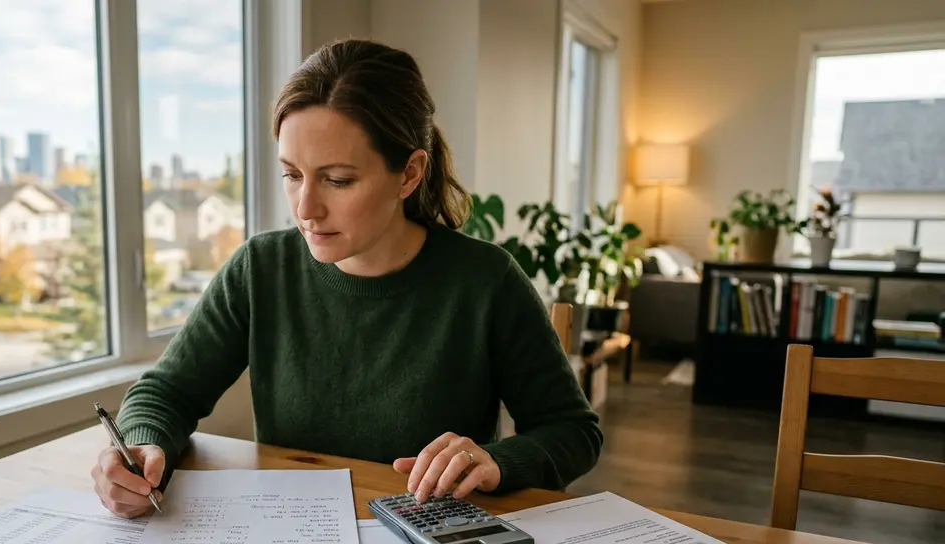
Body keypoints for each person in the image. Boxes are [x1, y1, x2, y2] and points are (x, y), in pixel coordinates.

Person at [92, 38, 602, 518]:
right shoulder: (261, 268)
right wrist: (144, 445)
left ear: (409, 173)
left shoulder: (485, 280)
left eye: (337, 180)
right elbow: (166, 394)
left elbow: (573, 431)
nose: (306, 208)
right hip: (290, 542)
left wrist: (496, 462)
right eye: (292, 175)